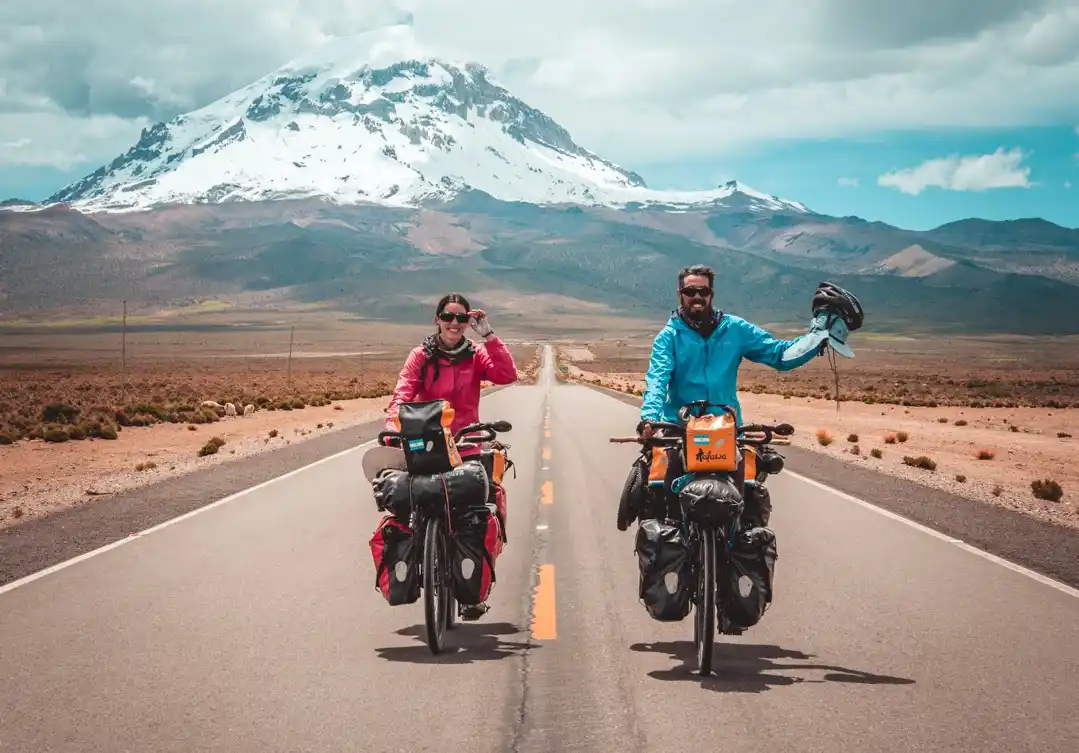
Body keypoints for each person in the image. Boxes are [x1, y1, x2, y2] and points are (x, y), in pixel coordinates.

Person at [635, 264, 863, 526]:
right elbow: (657, 378)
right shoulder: (669, 337)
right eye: (690, 291)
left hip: (727, 430)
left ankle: (732, 554)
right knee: (668, 502)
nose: (697, 296)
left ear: (711, 294)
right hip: (680, 429)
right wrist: (650, 417)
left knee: (743, 501)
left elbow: (780, 354)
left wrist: (817, 336)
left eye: (703, 291)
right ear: (680, 294)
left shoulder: (734, 329)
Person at [381, 293, 518, 621]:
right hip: (426, 444)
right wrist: (393, 428)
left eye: (462, 318)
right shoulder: (421, 356)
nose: (454, 323)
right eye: (448, 316)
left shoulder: (476, 355)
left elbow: (506, 374)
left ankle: (472, 591)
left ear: (469, 322)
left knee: (477, 511)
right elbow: (402, 394)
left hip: (466, 443)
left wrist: (489, 335)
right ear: (437, 318)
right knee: (406, 505)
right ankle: (414, 562)